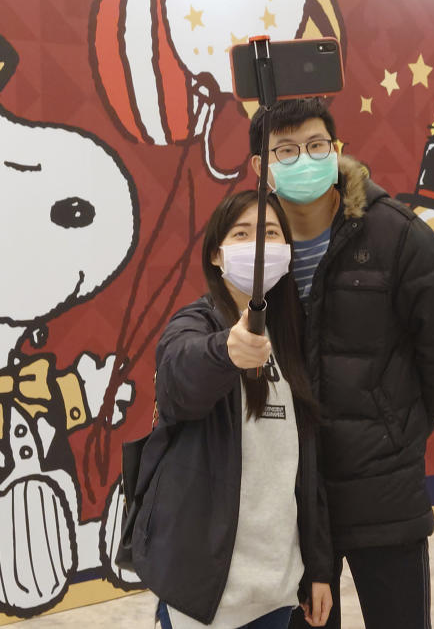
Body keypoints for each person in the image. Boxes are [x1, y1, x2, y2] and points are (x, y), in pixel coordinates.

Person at [246, 98, 434, 629]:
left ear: (336, 150)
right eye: (285, 150)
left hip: (383, 489)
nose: (304, 159)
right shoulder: (252, 244)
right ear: (262, 167)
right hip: (293, 494)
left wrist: (401, 425)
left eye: (316, 145)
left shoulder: (396, 234)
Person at [130, 190, 333, 629]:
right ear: (218, 255)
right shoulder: (196, 324)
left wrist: (318, 568)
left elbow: (305, 468)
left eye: (271, 233)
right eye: (243, 233)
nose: (259, 246)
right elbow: (178, 378)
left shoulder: (291, 343)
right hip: (204, 594)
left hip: (276, 589)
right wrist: (226, 350)